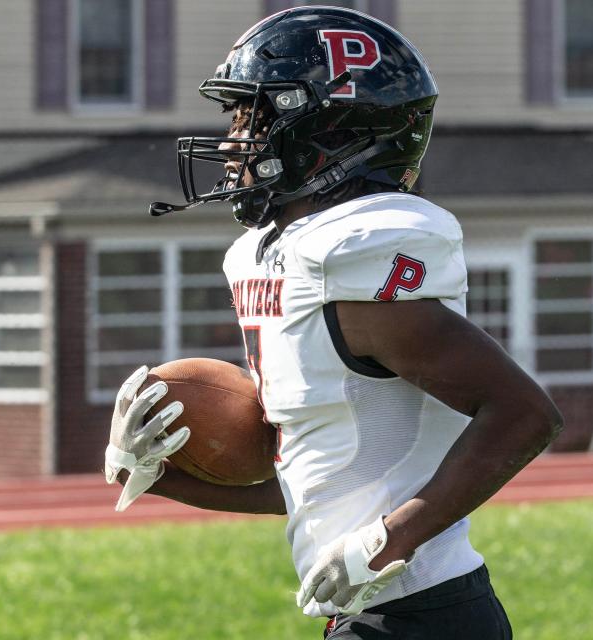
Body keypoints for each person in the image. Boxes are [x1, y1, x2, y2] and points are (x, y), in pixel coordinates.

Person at [105, 7, 563, 639]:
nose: (237, 141)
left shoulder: (350, 258)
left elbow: (524, 414)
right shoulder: (280, 257)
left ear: (326, 132)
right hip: (382, 618)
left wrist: (389, 542)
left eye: (255, 117)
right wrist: (162, 478)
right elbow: (312, 485)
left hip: (422, 616)